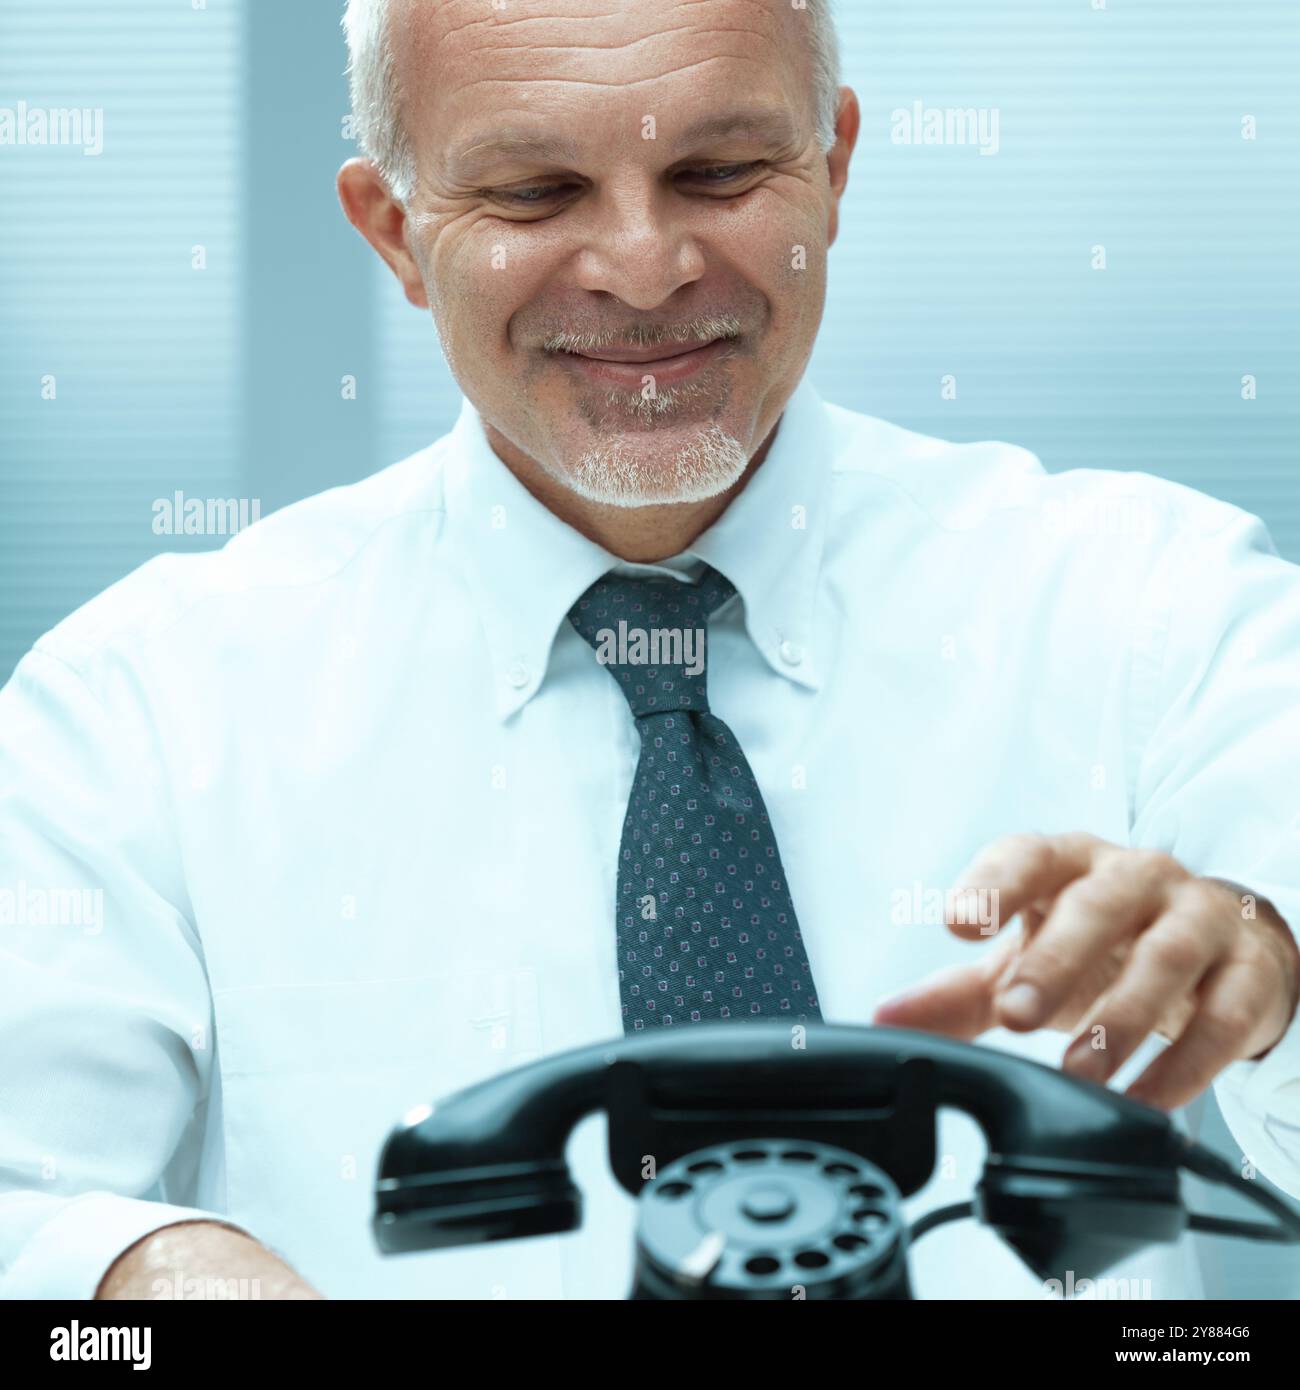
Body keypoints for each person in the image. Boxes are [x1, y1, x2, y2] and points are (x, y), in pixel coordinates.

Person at [1, 0, 1297, 1301]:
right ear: (394, 231)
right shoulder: (132, 714)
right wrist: (133, 1278)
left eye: (720, 173)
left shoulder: (1159, 612)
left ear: (834, 167)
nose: (643, 264)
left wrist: (1273, 974)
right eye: (534, 191)